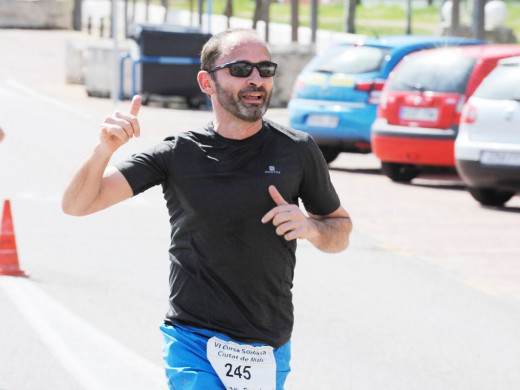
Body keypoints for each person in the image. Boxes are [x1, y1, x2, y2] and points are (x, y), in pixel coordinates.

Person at [62, 28, 352, 390]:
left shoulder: (297, 150)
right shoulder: (178, 154)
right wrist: (103, 150)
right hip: (192, 339)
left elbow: (339, 230)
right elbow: (77, 204)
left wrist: (311, 227)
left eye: (265, 69)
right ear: (207, 81)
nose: (256, 79)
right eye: (242, 69)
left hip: (267, 345)